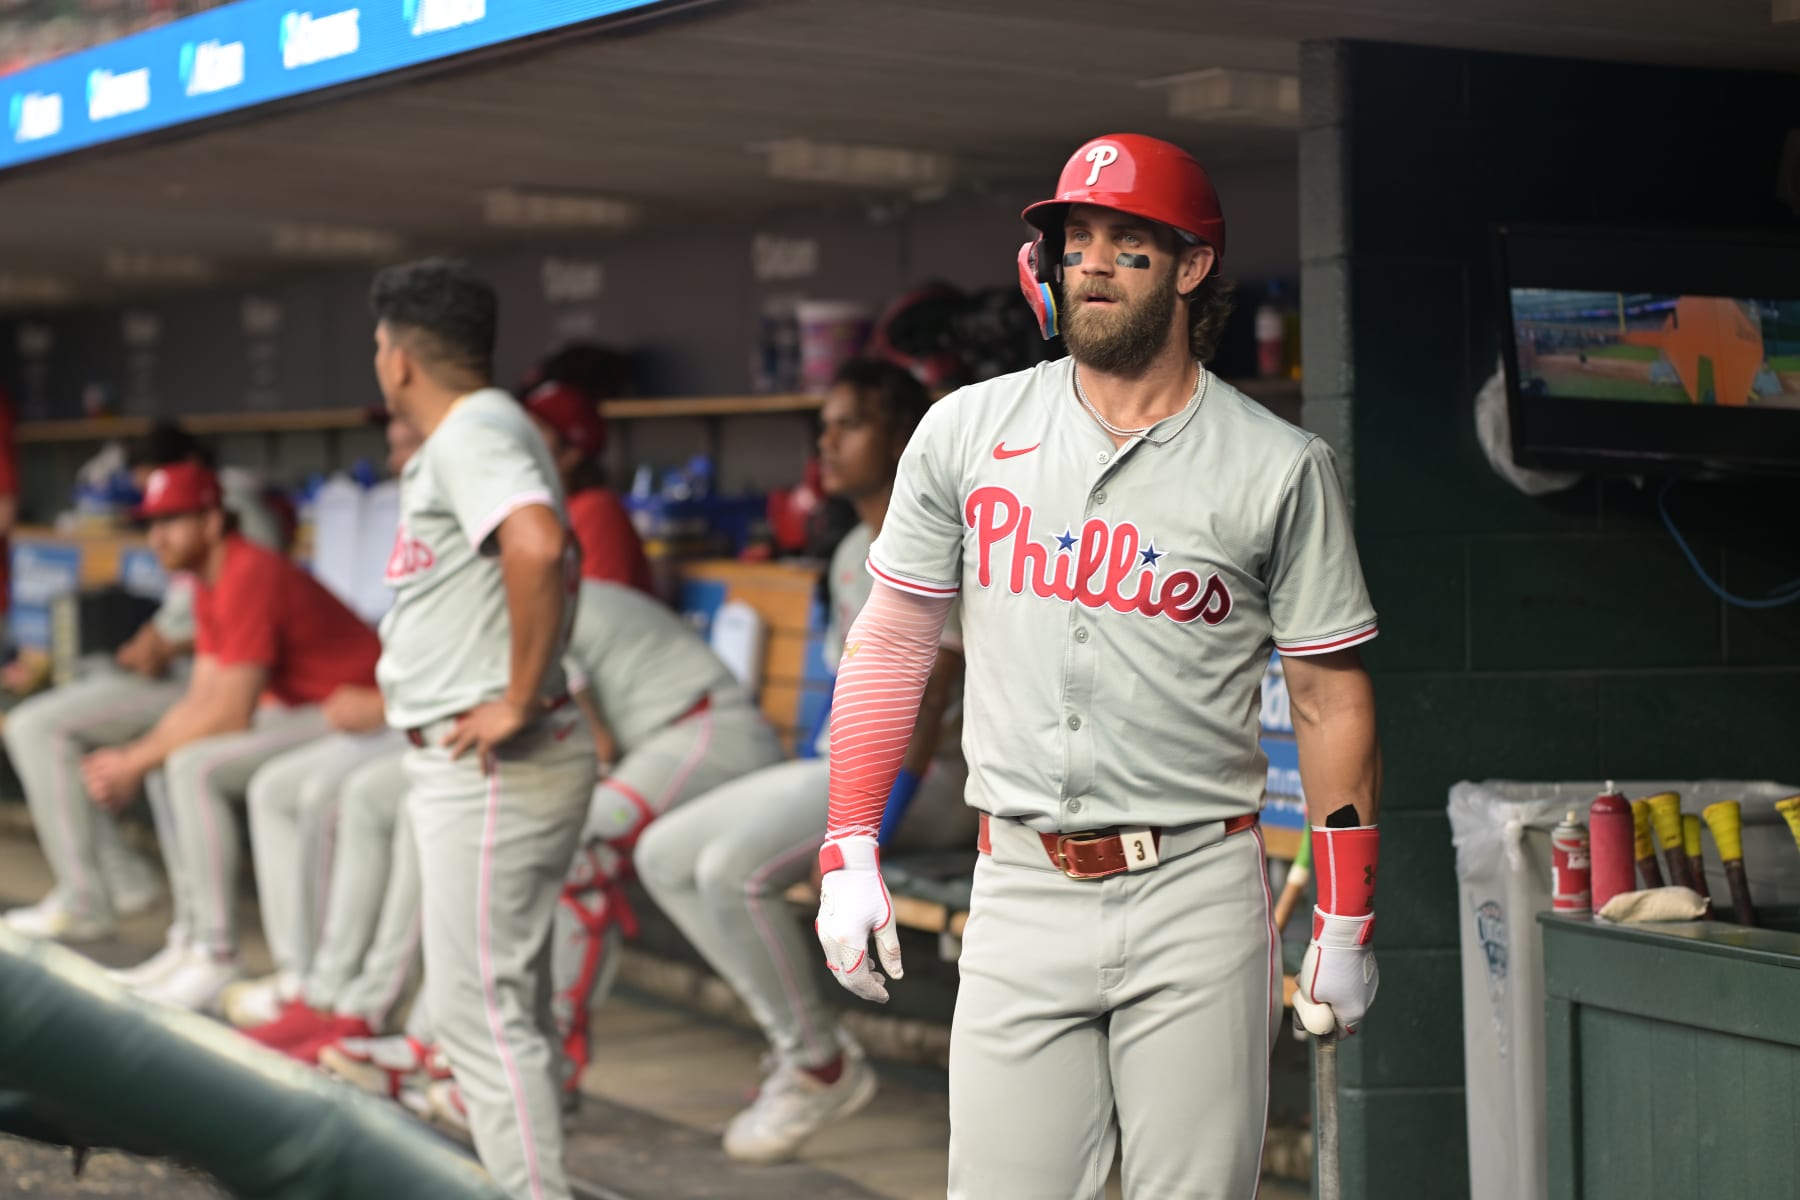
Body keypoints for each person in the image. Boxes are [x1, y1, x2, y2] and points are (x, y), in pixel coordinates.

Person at [811, 134, 1384, 1199]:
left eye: (1128, 243)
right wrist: (850, 839)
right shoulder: (966, 430)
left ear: (1190, 267)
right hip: (1022, 879)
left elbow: (1326, 692)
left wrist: (1347, 916)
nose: (1095, 263)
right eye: (1078, 241)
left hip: (1196, 886)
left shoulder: (1281, 465)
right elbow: (892, 640)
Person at [634, 358, 973, 1165]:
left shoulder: (941, 528)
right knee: (663, 852)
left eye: (849, 425)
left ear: (901, 436)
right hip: (851, 770)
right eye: (823, 427)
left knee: (728, 871)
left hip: (937, 782)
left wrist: (869, 834)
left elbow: (927, 698)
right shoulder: (853, 544)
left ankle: (816, 1062)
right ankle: (806, 1049)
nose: (827, 442)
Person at [319, 576, 786, 1120]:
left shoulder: (529, 596)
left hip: (707, 733)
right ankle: (439, 1046)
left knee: (571, 849)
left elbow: (597, 746)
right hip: (656, 743)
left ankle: (544, 1073)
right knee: (502, 843)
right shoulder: (495, 602)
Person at [368, 257, 593, 1200]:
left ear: (401, 361)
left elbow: (538, 544)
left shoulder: (471, 429)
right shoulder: (482, 427)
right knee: (504, 1008)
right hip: (485, 761)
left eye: (379, 344)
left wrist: (518, 693)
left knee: (479, 1013)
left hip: (501, 760)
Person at [83, 460, 382, 1012]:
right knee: (165, 761)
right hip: (308, 707)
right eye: (152, 522)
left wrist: (135, 759)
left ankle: (219, 953)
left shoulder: (251, 571)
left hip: (361, 708)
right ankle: (193, 939)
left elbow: (230, 713)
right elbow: (201, 699)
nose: (157, 537)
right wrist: (133, 757)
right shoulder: (207, 579)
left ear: (214, 521)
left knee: (191, 766)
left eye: (172, 520)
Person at [2, 424, 283, 942]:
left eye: (166, 505)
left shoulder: (232, 512)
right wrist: (152, 644)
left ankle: (167, 926)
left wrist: (163, 650)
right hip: (197, 675)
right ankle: (151, 903)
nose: (157, 525)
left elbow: (244, 618)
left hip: (248, 686)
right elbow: (197, 611)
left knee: (46, 729)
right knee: (63, 719)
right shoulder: (192, 531)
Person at [220, 415, 425, 1032]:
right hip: (405, 712)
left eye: (410, 445)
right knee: (284, 789)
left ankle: (356, 1007)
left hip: (445, 727)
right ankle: (310, 981)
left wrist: (388, 706)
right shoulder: (416, 514)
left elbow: (517, 671)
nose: (396, 463)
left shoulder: (492, 520)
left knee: (349, 799)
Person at [521, 380, 653, 594]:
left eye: (538, 429)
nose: (522, 439)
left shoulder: (597, 510)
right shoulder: (542, 509)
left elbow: (601, 610)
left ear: (571, 453)